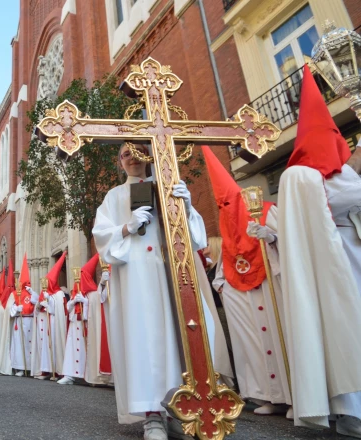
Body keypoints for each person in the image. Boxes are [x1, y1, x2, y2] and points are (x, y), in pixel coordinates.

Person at [93, 142, 210, 440]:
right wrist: (127, 227)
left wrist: (186, 205)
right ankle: (151, 416)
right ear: (119, 163)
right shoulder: (114, 196)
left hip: (169, 272)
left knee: (177, 338)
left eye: (137, 151)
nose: (131, 158)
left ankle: (179, 408)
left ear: (149, 155)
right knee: (142, 339)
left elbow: (196, 239)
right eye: (125, 154)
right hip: (134, 276)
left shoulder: (167, 187)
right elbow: (101, 237)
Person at [276, 65, 361, 437]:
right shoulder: (299, 175)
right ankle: (349, 409)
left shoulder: (348, 172)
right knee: (339, 323)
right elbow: (330, 206)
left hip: (355, 250)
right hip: (329, 263)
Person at [203, 146, 290, 415]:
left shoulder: (265, 211)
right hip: (241, 295)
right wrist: (222, 286)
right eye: (221, 205)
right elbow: (225, 262)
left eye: (229, 203)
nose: (225, 209)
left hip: (270, 284)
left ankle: (292, 396)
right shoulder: (227, 227)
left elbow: (291, 243)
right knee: (252, 344)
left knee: (281, 336)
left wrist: (271, 237)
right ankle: (267, 395)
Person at [57, 255, 97, 385]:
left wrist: (85, 302)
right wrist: (74, 301)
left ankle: (89, 376)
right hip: (75, 325)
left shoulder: (92, 292)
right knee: (72, 350)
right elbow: (68, 308)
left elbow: (96, 309)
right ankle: (70, 374)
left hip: (86, 325)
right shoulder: (75, 291)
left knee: (87, 349)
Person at [29, 251, 67, 380]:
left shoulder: (59, 294)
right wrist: (40, 305)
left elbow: (60, 309)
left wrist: (50, 302)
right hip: (46, 324)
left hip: (56, 324)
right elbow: (38, 308)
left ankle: (58, 370)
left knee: (56, 345)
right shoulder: (45, 293)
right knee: (46, 346)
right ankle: (47, 370)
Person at [9, 255, 34, 377]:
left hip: (30, 321)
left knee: (30, 344)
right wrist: (16, 309)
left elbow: (37, 305)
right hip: (19, 321)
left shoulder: (32, 293)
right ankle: (20, 367)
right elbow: (10, 309)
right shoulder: (15, 294)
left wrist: (33, 294)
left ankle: (30, 367)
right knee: (19, 344)